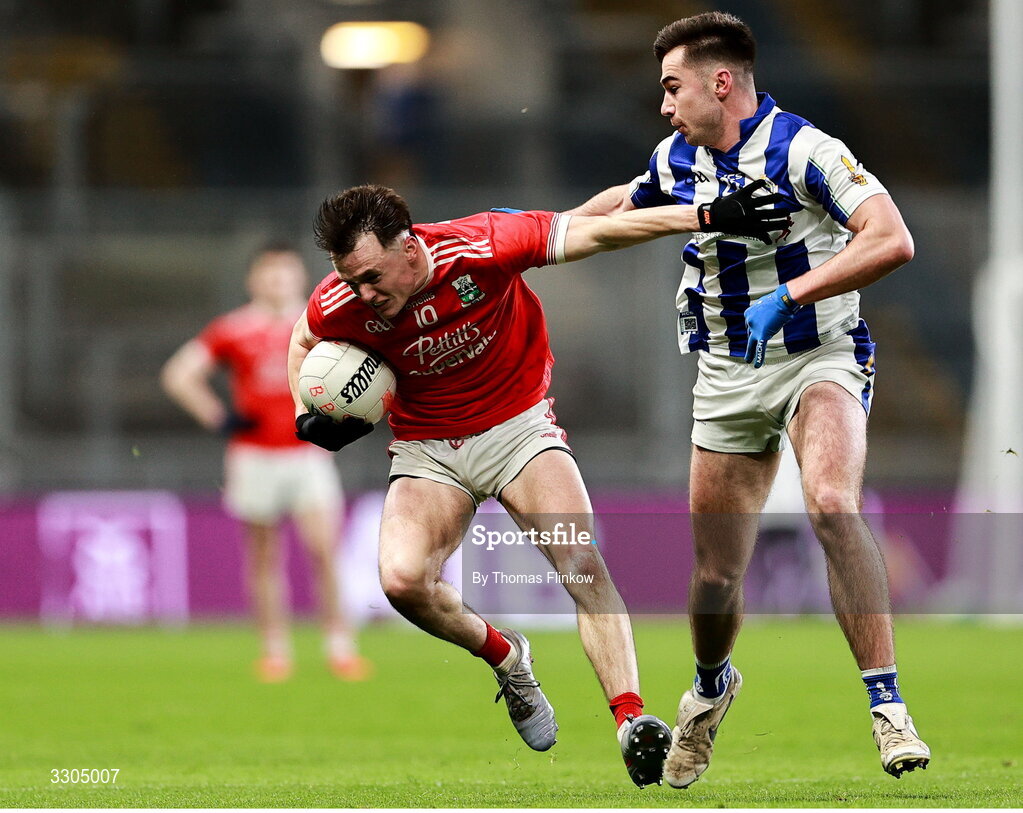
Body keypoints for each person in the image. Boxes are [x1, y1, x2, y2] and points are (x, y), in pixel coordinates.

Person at [286, 184, 782, 786]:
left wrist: (701, 215)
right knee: (401, 580)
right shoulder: (339, 300)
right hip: (427, 451)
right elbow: (304, 340)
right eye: (349, 279)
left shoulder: (483, 245)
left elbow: (591, 231)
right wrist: (303, 411)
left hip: (519, 431)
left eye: (370, 276)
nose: (361, 294)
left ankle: (630, 720)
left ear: (409, 247)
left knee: (580, 564)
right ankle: (507, 658)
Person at [567, 11, 930, 786]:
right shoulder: (676, 157)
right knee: (713, 578)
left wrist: (793, 293)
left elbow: (889, 238)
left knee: (831, 502)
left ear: (719, 81)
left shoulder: (806, 149)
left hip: (817, 354)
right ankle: (709, 687)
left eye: (672, 87)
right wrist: (545, 234)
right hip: (727, 374)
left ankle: (887, 706)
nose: (664, 106)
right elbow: (626, 205)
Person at [161, 242, 370, 683]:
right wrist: (219, 419)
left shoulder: (320, 324)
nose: (277, 281)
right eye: (269, 273)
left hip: (307, 454)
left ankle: (340, 646)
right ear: (253, 279)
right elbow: (179, 374)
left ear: (299, 277)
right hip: (254, 456)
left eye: (285, 272)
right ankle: (275, 650)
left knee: (324, 551)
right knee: (262, 557)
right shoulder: (233, 329)